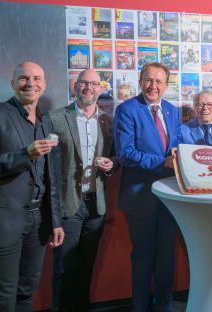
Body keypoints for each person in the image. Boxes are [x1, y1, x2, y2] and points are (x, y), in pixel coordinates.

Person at [0, 61, 64, 311]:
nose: (30, 83)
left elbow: (50, 175)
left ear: (44, 85)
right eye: (23, 78)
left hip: (38, 221)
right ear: (13, 84)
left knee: (27, 291)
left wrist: (55, 221)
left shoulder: (45, 121)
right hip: (4, 220)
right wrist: (24, 155)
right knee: (4, 295)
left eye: (37, 78)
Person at [114, 62, 181, 312]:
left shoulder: (173, 111)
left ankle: (165, 306)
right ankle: (139, 308)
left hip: (170, 197)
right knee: (143, 258)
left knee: (166, 259)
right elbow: (125, 153)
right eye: (148, 80)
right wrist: (162, 162)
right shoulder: (127, 109)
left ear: (166, 85)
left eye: (158, 81)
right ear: (140, 82)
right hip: (140, 197)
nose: (153, 86)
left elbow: (177, 147)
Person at [50, 69, 117, 311]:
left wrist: (112, 165)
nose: (88, 87)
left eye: (93, 84)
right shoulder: (56, 118)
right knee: (64, 268)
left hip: (96, 205)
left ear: (100, 89)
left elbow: (116, 157)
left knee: (87, 266)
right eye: (83, 83)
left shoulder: (108, 122)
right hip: (68, 204)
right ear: (74, 86)